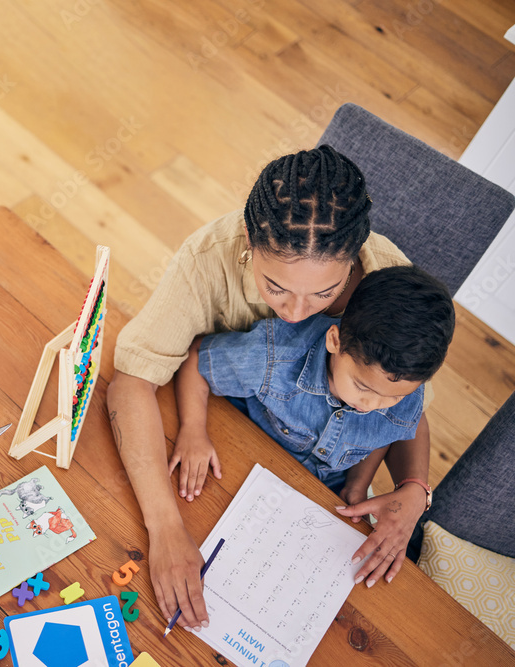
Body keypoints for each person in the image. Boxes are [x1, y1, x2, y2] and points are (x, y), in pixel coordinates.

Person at [107, 146, 436, 630]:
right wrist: (164, 528)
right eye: (276, 287)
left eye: (324, 294)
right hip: (225, 438)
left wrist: (415, 488)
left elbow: (400, 406)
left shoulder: (390, 287)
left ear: (355, 257)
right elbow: (131, 383)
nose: (297, 313)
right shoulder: (207, 258)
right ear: (248, 239)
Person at [175, 265, 453, 538]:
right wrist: (193, 430)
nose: (371, 405)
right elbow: (198, 358)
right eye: (361, 387)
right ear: (335, 341)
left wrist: (359, 483)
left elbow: (380, 434)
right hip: (240, 455)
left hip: (318, 492)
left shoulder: (404, 390)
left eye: (393, 397)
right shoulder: (275, 357)